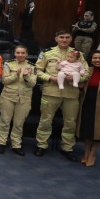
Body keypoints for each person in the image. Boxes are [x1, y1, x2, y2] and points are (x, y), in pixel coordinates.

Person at [34, 30, 85, 161]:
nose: (64, 40)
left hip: (71, 94)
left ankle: (67, 148)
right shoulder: (47, 53)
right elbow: (37, 71)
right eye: (61, 37)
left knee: (70, 123)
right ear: (56, 39)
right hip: (51, 92)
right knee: (46, 120)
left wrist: (76, 78)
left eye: (67, 37)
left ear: (71, 39)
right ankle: (41, 145)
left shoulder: (78, 54)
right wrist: (50, 78)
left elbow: (86, 73)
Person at [0, 44, 37, 155]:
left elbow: (33, 84)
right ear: (14, 53)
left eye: (23, 53)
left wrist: (27, 76)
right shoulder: (8, 64)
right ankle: (1, 142)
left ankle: (16, 144)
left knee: (18, 124)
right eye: (18, 52)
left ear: (27, 54)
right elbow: (5, 81)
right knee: (4, 121)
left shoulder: (32, 66)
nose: (20, 55)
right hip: (8, 97)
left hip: (24, 99)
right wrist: (16, 75)